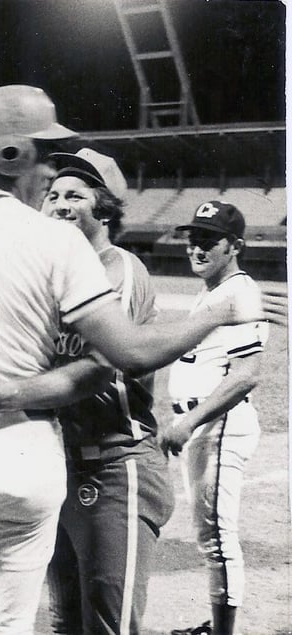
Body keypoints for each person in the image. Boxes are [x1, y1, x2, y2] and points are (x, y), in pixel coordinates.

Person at [0, 85, 280, 635]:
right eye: (44, 154)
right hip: (30, 458)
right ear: (12, 155)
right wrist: (217, 310)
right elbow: (128, 351)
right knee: (9, 627)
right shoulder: (55, 243)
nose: (49, 176)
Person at [39, 149, 174, 633]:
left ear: (105, 208)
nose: (57, 203)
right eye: (51, 194)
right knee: (66, 621)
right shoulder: (50, 275)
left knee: (108, 623)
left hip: (116, 465)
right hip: (63, 466)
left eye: (74, 195)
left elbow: (100, 368)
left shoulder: (117, 268)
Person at [160, 202, 268, 635]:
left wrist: (190, 422)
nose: (196, 248)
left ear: (235, 245)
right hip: (207, 426)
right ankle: (217, 625)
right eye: (193, 239)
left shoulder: (240, 291)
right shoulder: (213, 289)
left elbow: (246, 376)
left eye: (208, 240)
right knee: (211, 538)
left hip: (218, 426)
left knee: (217, 540)